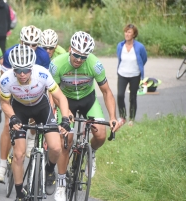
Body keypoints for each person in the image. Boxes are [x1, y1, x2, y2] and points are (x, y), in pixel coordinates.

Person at [49, 31, 120, 201]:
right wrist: (63, 112)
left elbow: (107, 92)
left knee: (101, 134)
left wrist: (112, 117)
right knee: (66, 140)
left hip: (88, 101)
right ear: (70, 49)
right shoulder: (57, 64)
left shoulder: (94, 65)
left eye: (83, 56)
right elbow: (53, 94)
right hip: (66, 101)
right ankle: (61, 184)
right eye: (76, 55)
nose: (79, 59)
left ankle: (92, 152)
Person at [0, 44, 71, 201]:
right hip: (20, 110)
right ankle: (19, 193)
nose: (22, 74)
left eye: (26, 70)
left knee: (55, 147)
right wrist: (12, 117)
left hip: (42, 108)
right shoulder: (6, 80)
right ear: (13, 69)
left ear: (32, 67)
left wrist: (65, 118)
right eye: (18, 70)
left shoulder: (43, 74)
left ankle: (49, 170)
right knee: (18, 155)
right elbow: (4, 103)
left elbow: (60, 97)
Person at [0, 25, 51, 183]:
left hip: (33, 92)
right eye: (26, 44)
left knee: (35, 116)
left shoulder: (43, 56)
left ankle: (31, 138)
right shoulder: (10, 53)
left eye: (34, 45)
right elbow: (4, 77)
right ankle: (2, 165)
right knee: (7, 125)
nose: (30, 48)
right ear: (20, 41)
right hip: (14, 91)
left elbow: (45, 84)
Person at [116, 24, 147, 127]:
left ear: (134, 34)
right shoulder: (120, 45)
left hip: (135, 75)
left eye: (129, 32)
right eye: (126, 32)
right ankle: (123, 117)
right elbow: (119, 57)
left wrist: (138, 68)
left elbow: (144, 59)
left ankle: (132, 119)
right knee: (120, 95)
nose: (127, 34)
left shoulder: (139, 47)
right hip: (122, 74)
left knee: (132, 97)